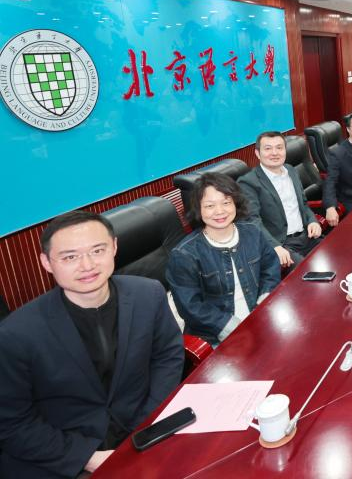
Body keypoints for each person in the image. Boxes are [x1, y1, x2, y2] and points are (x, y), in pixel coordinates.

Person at [0, 211, 183, 477]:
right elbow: (12, 422)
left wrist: (147, 422)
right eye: (70, 257)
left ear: (114, 248)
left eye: (98, 250)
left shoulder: (148, 293)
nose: (87, 265)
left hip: (142, 431)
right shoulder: (16, 333)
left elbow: (168, 356)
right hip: (64, 455)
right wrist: (86, 457)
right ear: (46, 262)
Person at [168, 173, 282, 347]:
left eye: (226, 202)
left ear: (235, 203)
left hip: (261, 320)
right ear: (198, 209)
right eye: (210, 206)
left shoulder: (252, 232)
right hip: (216, 337)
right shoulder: (184, 254)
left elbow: (270, 268)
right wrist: (231, 326)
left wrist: (265, 299)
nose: (219, 211)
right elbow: (190, 307)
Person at [238, 132, 323, 269]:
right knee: (307, 272)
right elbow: (252, 221)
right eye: (268, 148)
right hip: (282, 244)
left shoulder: (291, 170)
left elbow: (303, 204)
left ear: (285, 150)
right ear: (258, 153)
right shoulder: (248, 182)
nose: (274, 153)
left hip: (307, 236)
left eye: (279, 148)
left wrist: (312, 221)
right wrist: (274, 246)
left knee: (334, 256)